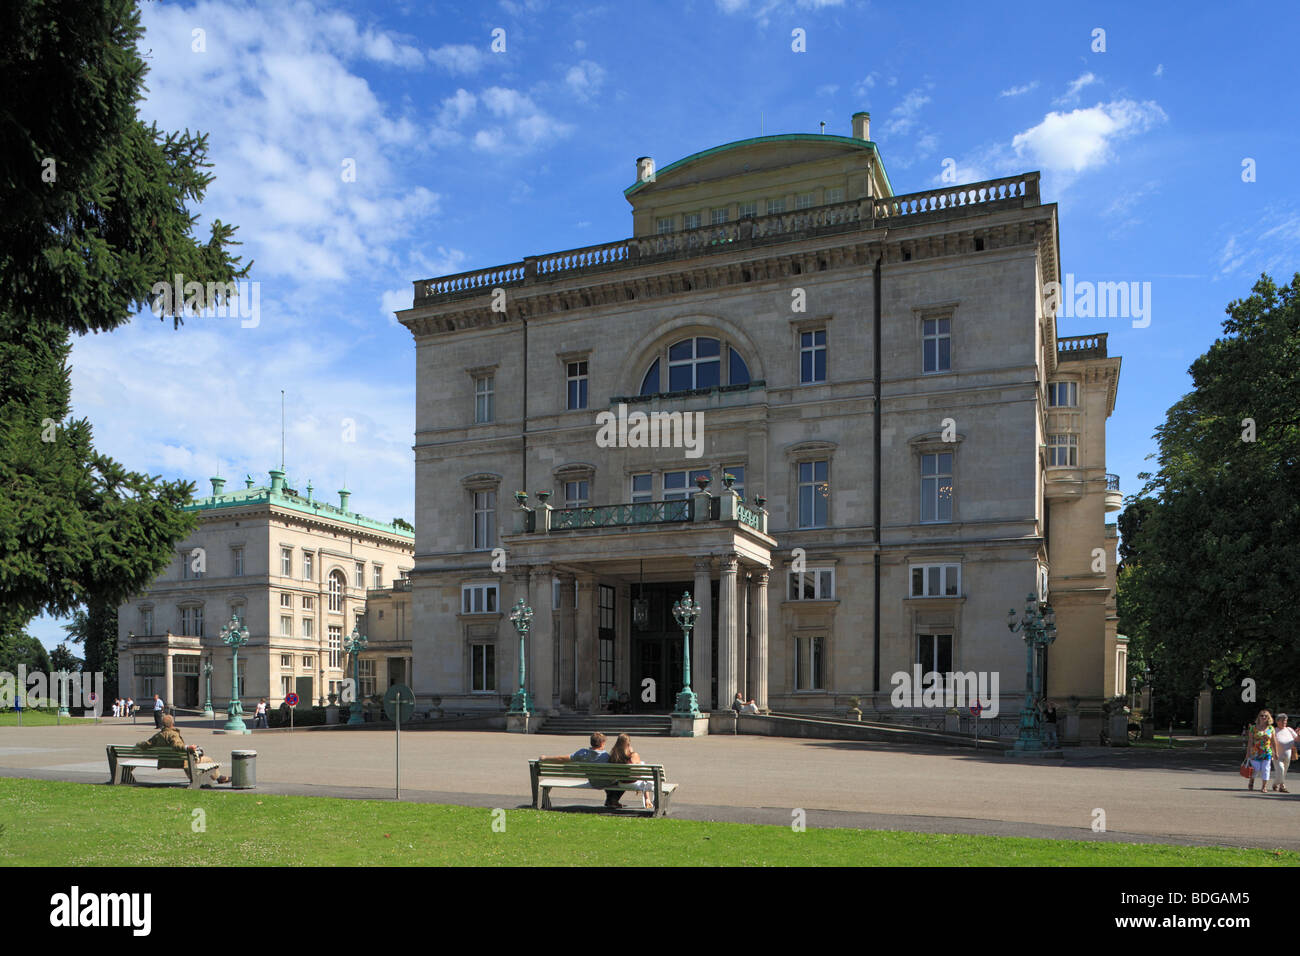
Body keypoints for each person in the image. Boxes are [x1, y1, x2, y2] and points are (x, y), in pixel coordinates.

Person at [137, 714, 230, 785]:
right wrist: (188, 747)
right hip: (181, 762)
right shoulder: (173, 734)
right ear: (172, 724)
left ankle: (195, 778)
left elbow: (146, 744)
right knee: (208, 760)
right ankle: (219, 778)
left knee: (185, 759)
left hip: (166, 762)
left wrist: (138, 744)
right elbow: (176, 745)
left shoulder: (158, 736)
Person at [541, 732, 617, 806]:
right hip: (607, 783)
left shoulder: (582, 753)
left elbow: (561, 759)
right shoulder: (607, 756)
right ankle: (612, 800)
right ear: (602, 743)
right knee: (617, 779)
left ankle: (611, 800)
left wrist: (545, 758)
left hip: (593, 782)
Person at [608, 733, 654, 810]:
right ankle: (647, 799)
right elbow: (641, 771)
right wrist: (632, 753)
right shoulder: (633, 755)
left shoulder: (613, 755)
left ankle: (613, 800)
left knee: (641, 768)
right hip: (634, 783)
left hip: (621, 784)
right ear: (628, 743)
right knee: (643, 766)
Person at [1244, 709, 1275, 793]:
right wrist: (1248, 753)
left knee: (1266, 769)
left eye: (1265, 716)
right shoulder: (1253, 728)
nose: (1263, 717)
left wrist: (1275, 752)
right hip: (1255, 752)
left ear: (1268, 718)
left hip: (1267, 752)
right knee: (1256, 769)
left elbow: (1273, 741)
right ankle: (1251, 781)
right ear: (1258, 717)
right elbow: (1250, 741)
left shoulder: (1271, 728)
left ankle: (1264, 787)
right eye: (1261, 715)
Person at [1272, 713, 1296, 793]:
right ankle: (1280, 785)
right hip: (1277, 755)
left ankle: (1278, 785)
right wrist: (1273, 753)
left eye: (1285, 721)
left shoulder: (1289, 729)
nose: (1284, 723)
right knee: (1281, 770)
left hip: (1288, 755)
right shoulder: (1274, 730)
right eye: (1282, 721)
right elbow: (1269, 742)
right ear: (1277, 721)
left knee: (1284, 771)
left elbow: (1297, 739)